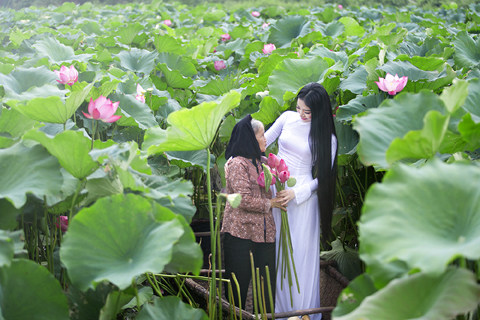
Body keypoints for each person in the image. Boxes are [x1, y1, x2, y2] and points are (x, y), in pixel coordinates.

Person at [264, 83, 338, 320]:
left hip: (303, 198)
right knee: (278, 252)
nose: (301, 115)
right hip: (278, 191)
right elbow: (263, 141)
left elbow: (323, 179)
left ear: (320, 111)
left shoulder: (327, 138)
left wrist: (297, 193)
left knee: (300, 256)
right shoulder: (287, 118)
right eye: (299, 109)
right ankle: (280, 312)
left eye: (307, 112)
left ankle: (302, 313)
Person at [222, 114, 285, 312]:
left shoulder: (264, 162)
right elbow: (243, 199)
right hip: (241, 234)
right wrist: (271, 203)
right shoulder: (237, 164)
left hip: (265, 235)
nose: (266, 139)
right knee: (237, 287)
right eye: (261, 135)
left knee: (267, 288)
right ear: (250, 138)